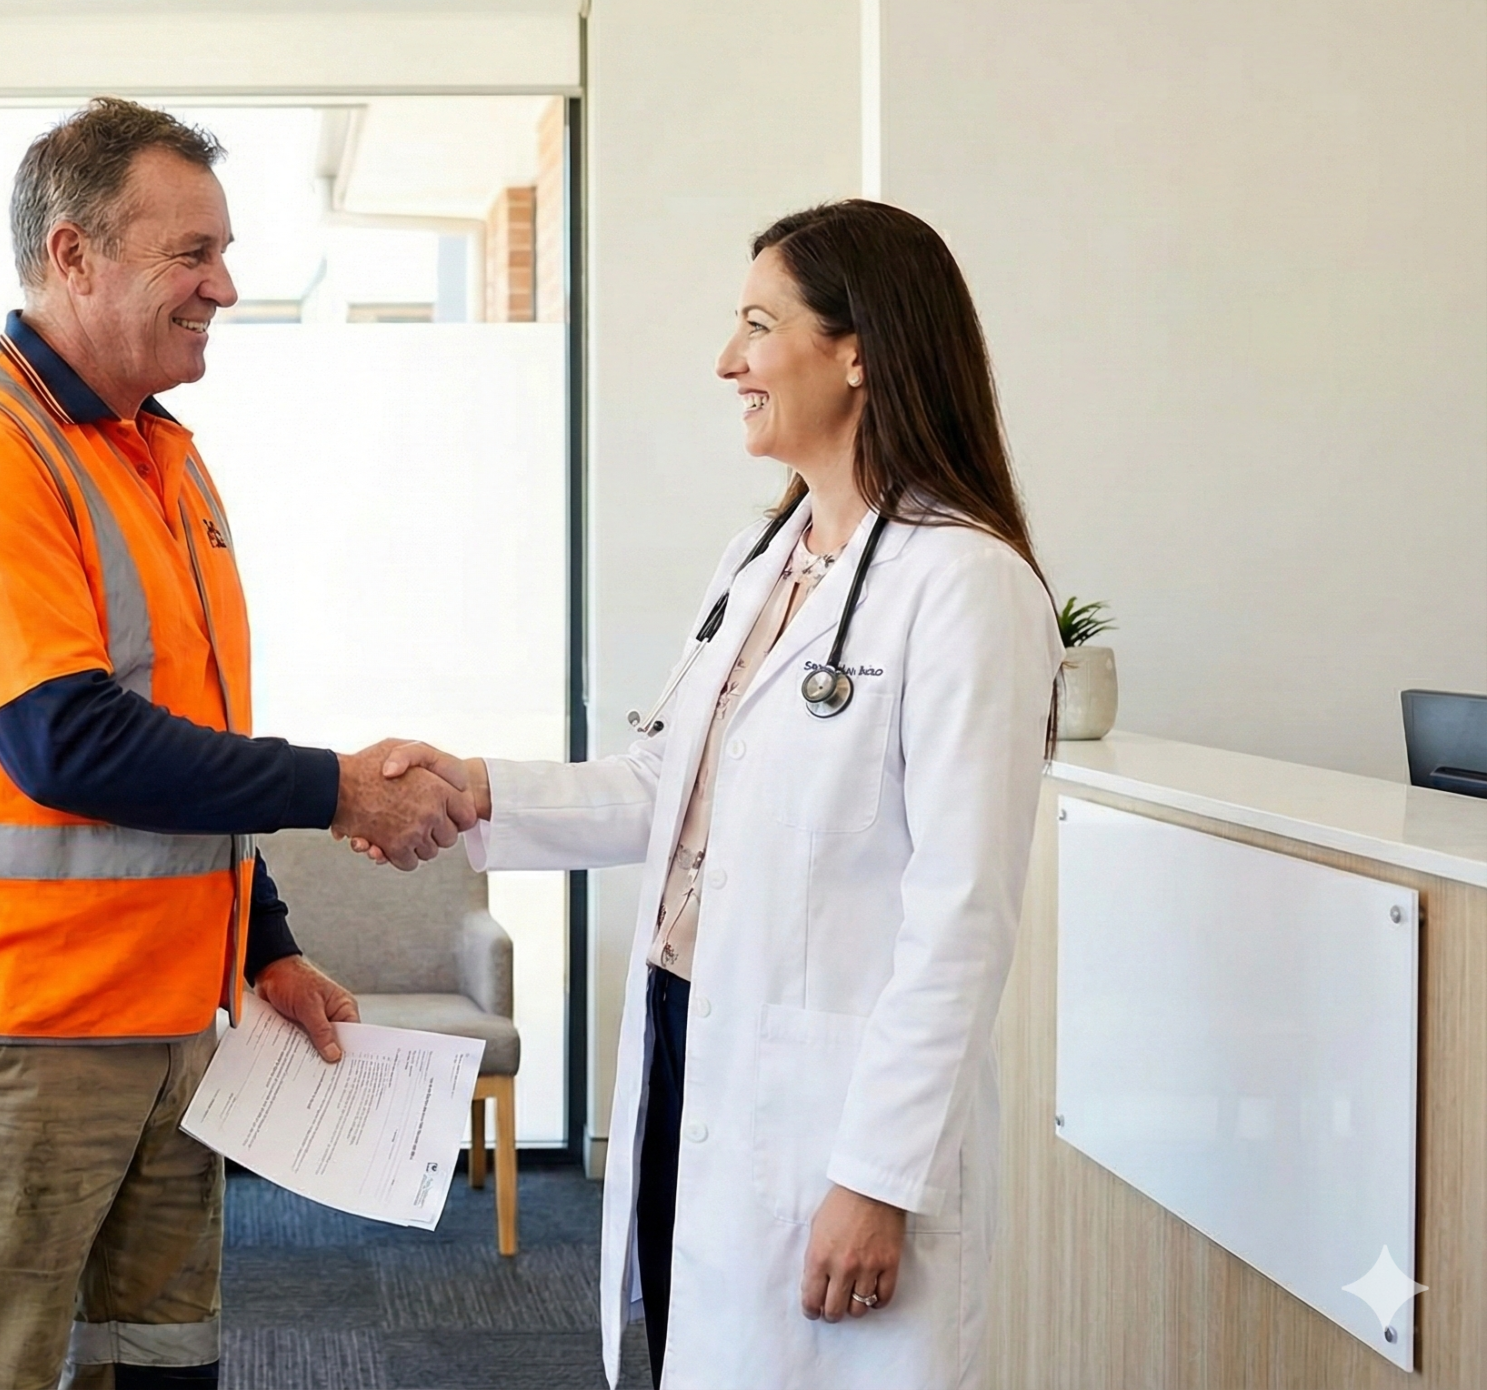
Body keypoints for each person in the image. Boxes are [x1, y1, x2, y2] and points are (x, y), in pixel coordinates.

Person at [366, 200, 1061, 1389]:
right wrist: (476, 787)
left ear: (858, 351)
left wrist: (877, 1176)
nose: (727, 361)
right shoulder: (761, 564)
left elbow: (961, 922)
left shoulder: (966, 588)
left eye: (756, 325)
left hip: (835, 1103)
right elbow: (662, 787)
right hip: (696, 1035)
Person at [0, 97, 477, 1390]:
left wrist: (269, 947)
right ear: (73, 255)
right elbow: (66, 744)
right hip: (7, 1046)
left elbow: (185, 750)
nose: (226, 286)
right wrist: (342, 787)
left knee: (162, 1365)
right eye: (191, 254)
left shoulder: (163, 461)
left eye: (225, 251)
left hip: (174, 1035)